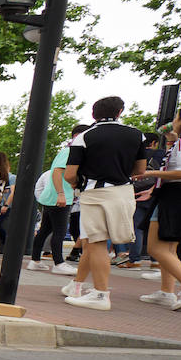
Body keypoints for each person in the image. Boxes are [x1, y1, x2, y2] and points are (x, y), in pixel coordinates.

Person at [61, 97, 147, 311]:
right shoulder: (137, 135)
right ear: (120, 112)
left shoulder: (84, 136)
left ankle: (100, 294)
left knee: (96, 242)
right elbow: (140, 171)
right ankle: (77, 285)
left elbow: (70, 174)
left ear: (93, 114)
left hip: (95, 192)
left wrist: (76, 184)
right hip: (124, 192)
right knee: (93, 242)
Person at [139, 103, 181, 310]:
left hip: (177, 194)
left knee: (155, 247)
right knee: (169, 248)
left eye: (177, 117)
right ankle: (167, 291)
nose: (173, 121)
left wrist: (148, 173)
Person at [27, 124, 87, 273]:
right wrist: (61, 193)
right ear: (77, 136)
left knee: (45, 229)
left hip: (54, 196)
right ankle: (59, 263)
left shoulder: (68, 150)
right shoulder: (70, 151)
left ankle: (35, 260)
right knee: (59, 231)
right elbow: (57, 171)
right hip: (60, 196)